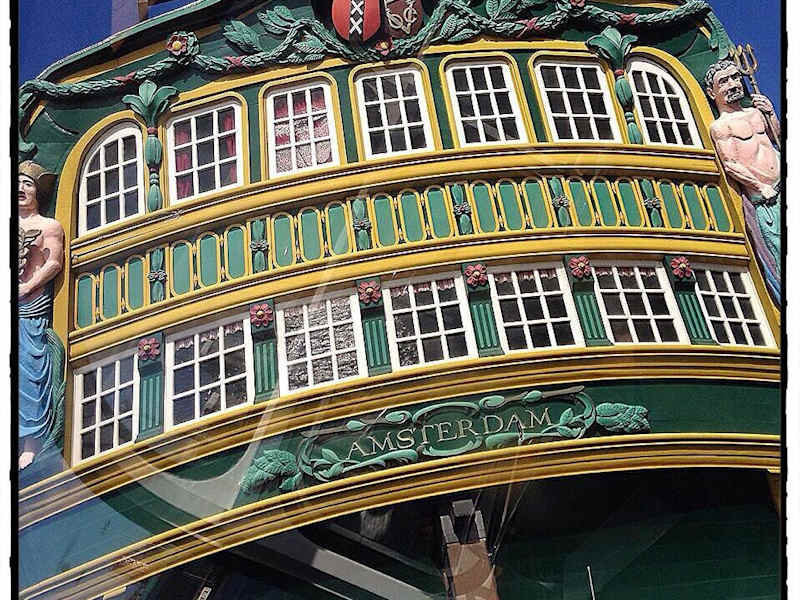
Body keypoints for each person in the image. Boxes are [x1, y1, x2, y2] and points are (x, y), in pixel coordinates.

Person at [705, 60, 781, 302]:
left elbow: (776, 138)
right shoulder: (721, 127)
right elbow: (730, 164)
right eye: (724, 81)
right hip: (766, 199)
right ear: (712, 93)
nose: (733, 84)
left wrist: (771, 113)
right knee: (778, 250)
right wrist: (760, 186)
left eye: (735, 78)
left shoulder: (756, 113)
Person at [18, 160, 63, 470]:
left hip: (29, 306)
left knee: (29, 371)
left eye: (28, 184)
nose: (21, 189)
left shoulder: (49, 226)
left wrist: (27, 287)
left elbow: (53, 263)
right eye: (17, 183)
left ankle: (30, 445)